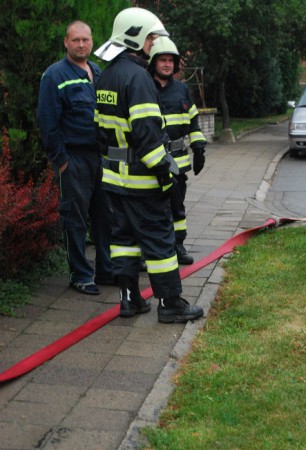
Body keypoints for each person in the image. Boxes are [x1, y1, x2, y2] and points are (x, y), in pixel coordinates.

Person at [94, 7, 204, 323]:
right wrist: (164, 174)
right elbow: (147, 133)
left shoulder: (107, 75)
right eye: (151, 36)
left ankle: (129, 301)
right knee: (160, 243)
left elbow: (98, 131)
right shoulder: (138, 77)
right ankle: (171, 304)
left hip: (114, 182)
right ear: (137, 35)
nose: (153, 43)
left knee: (124, 242)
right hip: (143, 184)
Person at [38, 20, 112, 295]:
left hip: (100, 158)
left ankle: (106, 269)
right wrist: (61, 160)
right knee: (75, 218)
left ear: (92, 42)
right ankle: (80, 275)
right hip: (74, 158)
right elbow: (47, 123)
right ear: (66, 43)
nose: (81, 44)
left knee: (105, 217)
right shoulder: (54, 76)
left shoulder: (97, 71)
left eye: (86, 40)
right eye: (76, 40)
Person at [148, 36, 207, 265]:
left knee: (177, 206)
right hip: (152, 160)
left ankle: (178, 245)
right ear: (154, 62)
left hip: (178, 161)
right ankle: (150, 249)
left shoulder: (182, 89)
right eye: (162, 60)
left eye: (171, 61)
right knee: (152, 206)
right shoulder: (143, 86)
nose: (167, 64)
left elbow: (193, 120)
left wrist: (199, 148)